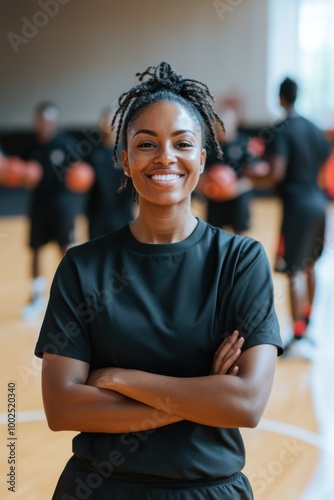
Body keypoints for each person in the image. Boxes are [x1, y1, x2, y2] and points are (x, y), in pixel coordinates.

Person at [35, 62, 282, 499]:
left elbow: (245, 404)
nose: (165, 157)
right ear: (125, 161)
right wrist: (202, 394)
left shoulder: (241, 261)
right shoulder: (82, 266)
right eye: (146, 144)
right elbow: (61, 406)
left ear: (202, 159)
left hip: (207, 489)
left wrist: (121, 378)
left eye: (182, 143)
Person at [250, 77, 330, 359]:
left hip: (297, 206)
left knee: (294, 269)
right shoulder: (314, 128)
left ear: (281, 98)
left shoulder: (281, 130)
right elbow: (324, 166)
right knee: (309, 267)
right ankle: (307, 324)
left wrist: (248, 176)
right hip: (319, 203)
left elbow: (275, 173)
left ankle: (298, 335)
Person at [22, 102, 81, 320]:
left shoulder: (67, 144)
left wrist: (79, 177)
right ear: (36, 122)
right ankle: (36, 295)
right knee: (35, 249)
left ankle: (70, 298)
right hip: (39, 206)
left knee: (65, 250)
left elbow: (81, 173)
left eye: (49, 121)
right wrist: (23, 175)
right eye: (41, 121)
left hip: (63, 207)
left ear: (55, 122)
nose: (44, 125)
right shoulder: (30, 146)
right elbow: (19, 173)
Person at [204, 106, 262, 234]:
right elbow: (201, 175)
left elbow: (254, 177)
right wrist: (207, 187)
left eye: (224, 125)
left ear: (233, 124)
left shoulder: (245, 143)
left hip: (238, 198)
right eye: (217, 126)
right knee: (214, 236)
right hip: (215, 201)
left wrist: (233, 188)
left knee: (239, 237)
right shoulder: (211, 146)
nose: (220, 130)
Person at [86, 107, 133, 240]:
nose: (109, 123)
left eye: (113, 120)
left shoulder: (127, 153)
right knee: (97, 256)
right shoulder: (91, 153)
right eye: (105, 120)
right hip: (97, 216)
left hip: (122, 214)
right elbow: (82, 181)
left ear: (119, 124)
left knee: (123, 256)